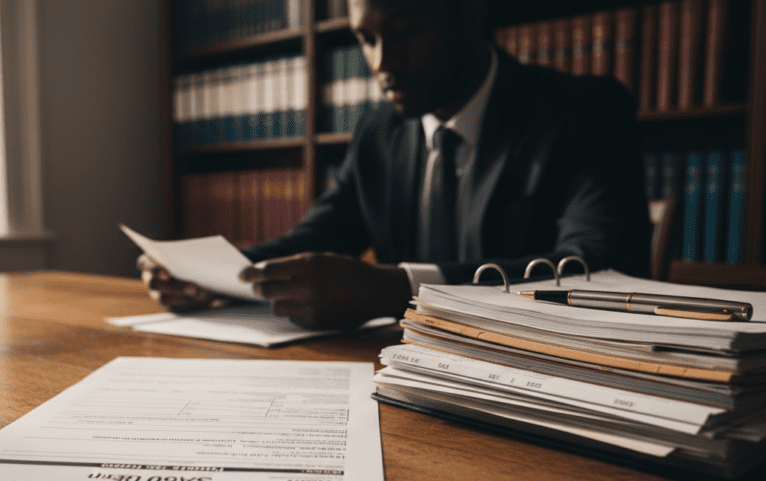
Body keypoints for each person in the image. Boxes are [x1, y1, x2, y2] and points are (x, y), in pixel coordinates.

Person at [140, 0, 651, 330]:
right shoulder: (379, 130)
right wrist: (210, 271)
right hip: (400, 375)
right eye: (366, 40)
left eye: (405, 32)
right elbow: (321, 236)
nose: (382, 63)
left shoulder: (584, 111)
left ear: (471, 16)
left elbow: (602, 267)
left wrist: (394, 288)